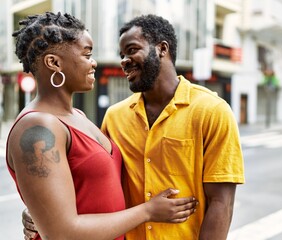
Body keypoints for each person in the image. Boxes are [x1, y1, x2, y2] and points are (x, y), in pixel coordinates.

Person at [23, 14, 245, 240]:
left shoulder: (212, 111)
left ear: (162, 48)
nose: (123, 60)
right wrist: (43, 210)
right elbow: (82, 180)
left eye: (131, 50)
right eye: (121, 55)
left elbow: (222, 203)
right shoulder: (115, 116)